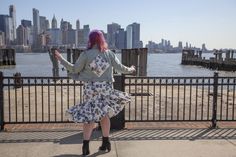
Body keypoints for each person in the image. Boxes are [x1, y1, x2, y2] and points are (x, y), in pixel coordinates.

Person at [54, 29, 135, 155]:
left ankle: (85, 146)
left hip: (90, 90)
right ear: (102, 40)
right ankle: (106, 143)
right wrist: (131, 69)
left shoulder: (86, 54)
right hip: (105, 89)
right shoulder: (109, 54)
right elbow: (121, 68)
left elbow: (74, 69)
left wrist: (61, 59)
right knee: (104, 115)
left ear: (90, 40)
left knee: (89, 116)